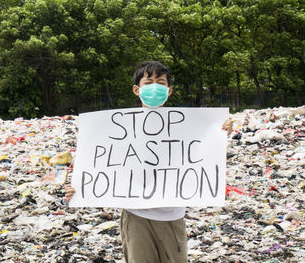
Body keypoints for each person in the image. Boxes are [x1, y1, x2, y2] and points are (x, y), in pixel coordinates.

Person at [65, 61, 233, 263]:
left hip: (172, 218)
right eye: (149, 81)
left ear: (169, 91)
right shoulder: (117, 127)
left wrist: (220, 135)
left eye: (160, 82)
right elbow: (100, 166)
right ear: (137, 89)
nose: (155, 86)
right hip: (136, 218)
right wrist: (79, 189)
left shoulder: (188, 127)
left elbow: (207, 162)